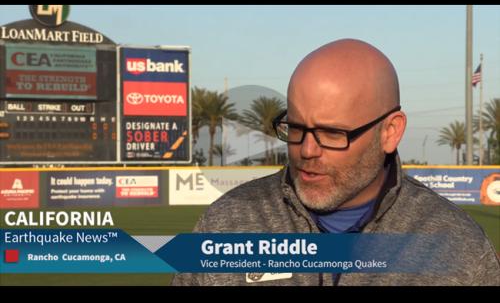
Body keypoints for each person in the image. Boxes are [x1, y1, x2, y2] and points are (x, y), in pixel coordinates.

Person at [171, 39, 500, 286]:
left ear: (390, 131)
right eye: (297, 128)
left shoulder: (461, 248)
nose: (308, 150)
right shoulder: (226, 223)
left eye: (332, 133)